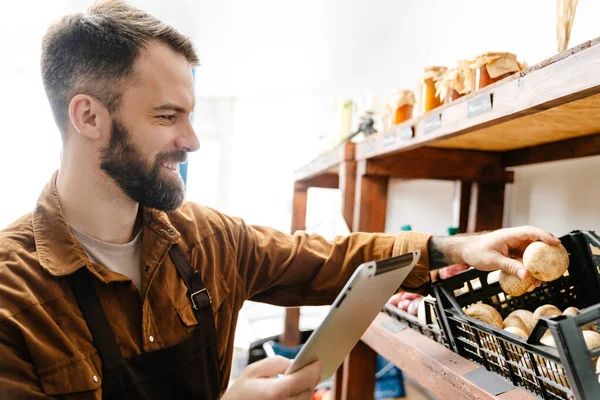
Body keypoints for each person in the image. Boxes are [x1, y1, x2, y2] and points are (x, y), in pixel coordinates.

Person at [0, 1, 560, 399]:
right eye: (167, 116)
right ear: (88, 116)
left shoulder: (205, 238)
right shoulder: (13, 298)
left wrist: (455, 246)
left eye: (192, 115)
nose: (192, 140)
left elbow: (325, 258)